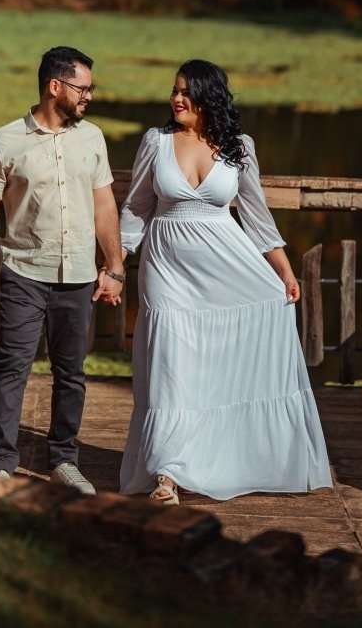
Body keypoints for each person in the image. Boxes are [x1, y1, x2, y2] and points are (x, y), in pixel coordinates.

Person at [118, 59, 332, 503]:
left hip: (225, 263)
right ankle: (166, 473)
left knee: (213, 364)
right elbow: (137, 208)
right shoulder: (156, 141)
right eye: (175, 90)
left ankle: (225, 457)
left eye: (186, 92)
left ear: (207, 97)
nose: (177, 99)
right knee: (170, 363)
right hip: (167, 267)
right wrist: (116, 265)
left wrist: (284, 272)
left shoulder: (239, 147)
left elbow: (256, 216)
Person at [0, 45, 125, 495]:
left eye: (90, 88)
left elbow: (104, 205)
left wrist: (114, 267)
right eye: (82, 88)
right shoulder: (5, 140)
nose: (89, 96)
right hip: (23, 273)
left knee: (71, 374)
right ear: (55, 86)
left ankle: (64, 461)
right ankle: (1, 463)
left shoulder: (92, 138)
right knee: (12, 367)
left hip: (78, 276)